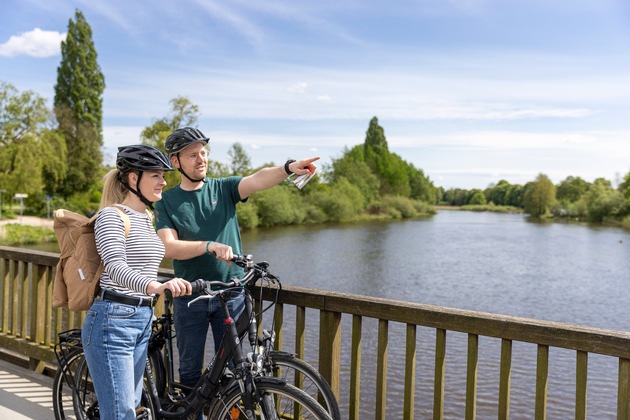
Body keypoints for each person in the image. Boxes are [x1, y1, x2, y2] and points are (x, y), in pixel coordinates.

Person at [154, 126, 319, 392]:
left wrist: (289, 168)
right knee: (189, 371)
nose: (201, 159)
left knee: (234, 370)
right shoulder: (166, 201)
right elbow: (168, 247)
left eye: (203, 152)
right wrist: (208, 246)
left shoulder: (223, 189)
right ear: (175, 162)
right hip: (190, 296)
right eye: (193, 154)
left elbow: (257, 179)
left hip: (230, 295)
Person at [81, 145, 192, 419]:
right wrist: (155, 287)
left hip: (142, 318)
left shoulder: (146, 217)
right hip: (112, 322)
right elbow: (116, 267)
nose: (164, 181)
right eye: (156, 175)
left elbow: (145, 265)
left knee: (132, 407)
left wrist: (173, 281)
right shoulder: (111, 216)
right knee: (121, 414)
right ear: (134, 179)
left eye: (163, 175)